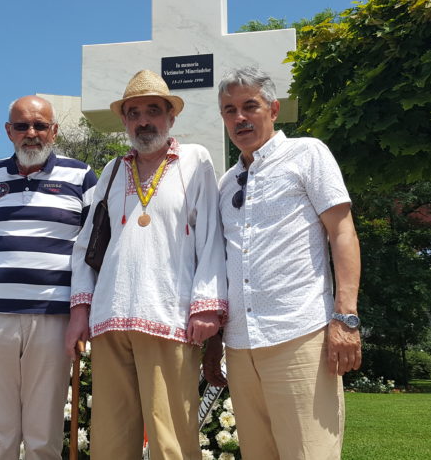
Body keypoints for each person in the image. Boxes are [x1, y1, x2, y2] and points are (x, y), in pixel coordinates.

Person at [64, 70, 227, 459]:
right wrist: (80, 311)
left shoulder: (195, 160)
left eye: (153, 111)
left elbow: (211, 238)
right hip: (110, 318)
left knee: (172, 439)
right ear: (124, 121)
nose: (143, 121)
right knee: (110, 440)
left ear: (171, 116)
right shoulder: (112, 170)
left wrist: (206, 306)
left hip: (168, 315)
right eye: (134, 113)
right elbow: (87, 245)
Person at [201, 66, 362, 459]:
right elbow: (221, 263)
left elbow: (343, 233)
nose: (240, 118)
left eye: (249, 106)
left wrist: (346, 318)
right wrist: (215, 343)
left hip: (299, 335)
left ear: (273, 109)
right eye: (229, 110)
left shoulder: (307, 154)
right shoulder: (225, 183)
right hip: (240, 346)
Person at [0, 96, 97, 459]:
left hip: (53, 317)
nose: (31, 133)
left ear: (54, 131)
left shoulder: (81, 176)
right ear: (8, 131)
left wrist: (83, 312)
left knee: (44, 432)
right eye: (22, 125)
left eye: (40, 125)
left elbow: (92, 248)